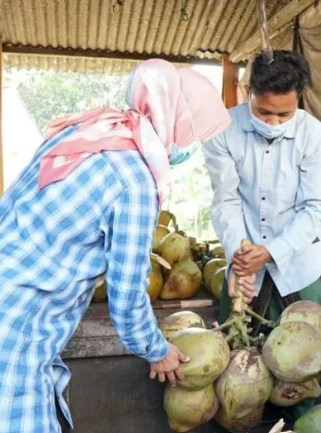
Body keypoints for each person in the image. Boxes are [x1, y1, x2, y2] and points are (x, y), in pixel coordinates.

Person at [0, 59, 238, 433]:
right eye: (195, 136)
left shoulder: (94, 131)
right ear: (178, 123)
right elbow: (127, 292)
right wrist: (156, 350)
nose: (191, 148)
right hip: (19, 319)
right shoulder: (136, 181)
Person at [203, 50, 321, 415]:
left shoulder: (313, 135)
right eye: (264, 112)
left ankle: (308, 422)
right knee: (235, 369)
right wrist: (239, 251)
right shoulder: (222, 130)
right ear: (250, 92)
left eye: (284, 114)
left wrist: (273, 250)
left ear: (299, 101)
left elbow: (316, 207)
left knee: (308, 369)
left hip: (300, 263)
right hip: (245, 267)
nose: (274, 122)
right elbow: (225, 200)